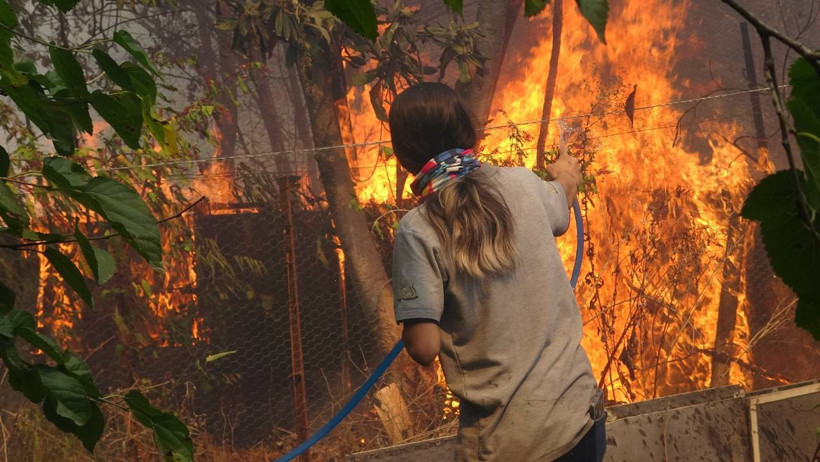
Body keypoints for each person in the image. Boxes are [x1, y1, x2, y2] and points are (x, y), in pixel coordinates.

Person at [388, 82, 605, 462]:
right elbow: (559, 209)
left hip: (509, 445)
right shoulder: (522, 183)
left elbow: (423, 348)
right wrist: (567, 174)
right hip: (580, 424)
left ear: (404, 154)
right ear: (470, 133)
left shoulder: (417, 229)